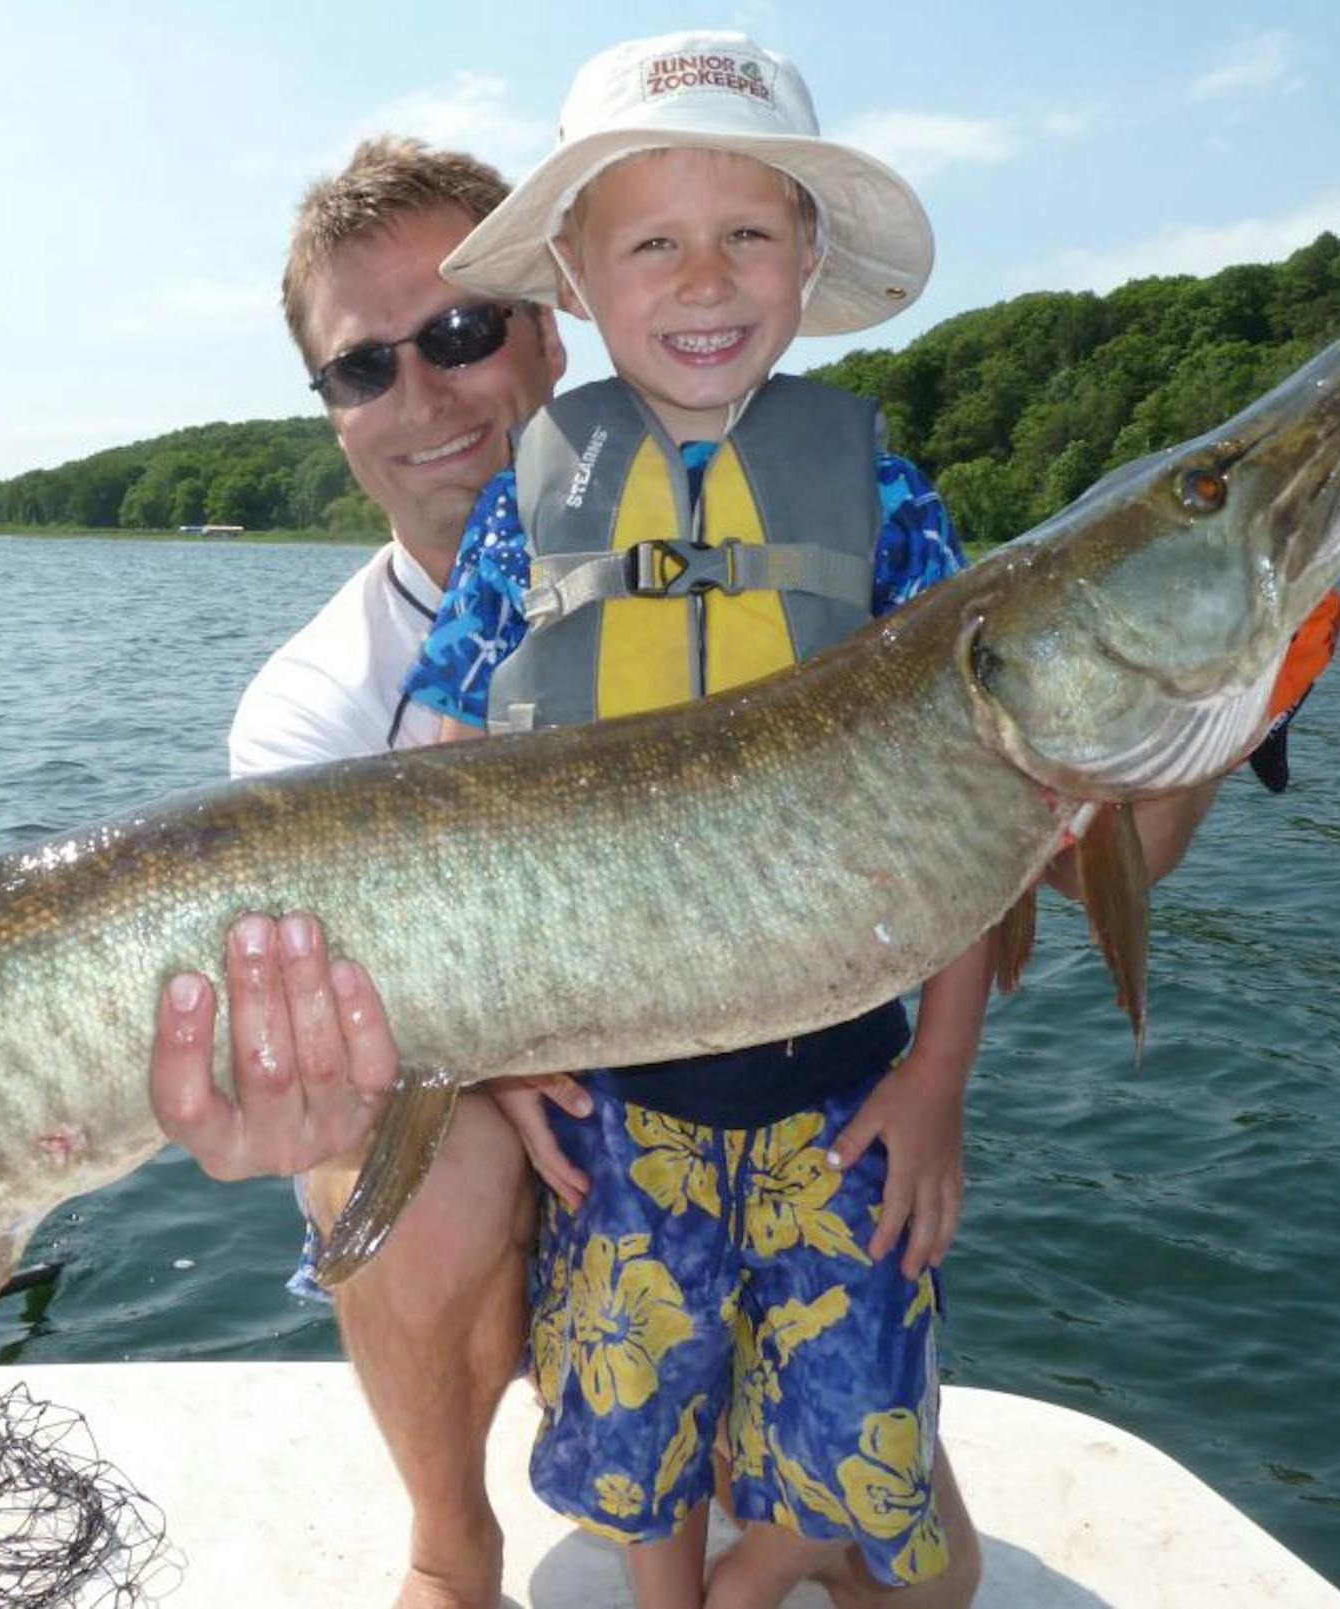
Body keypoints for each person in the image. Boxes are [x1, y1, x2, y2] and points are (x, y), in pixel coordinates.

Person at [397, 31, 984, 1608]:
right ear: (578, 280)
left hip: (847, 1082)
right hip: (610, 1095)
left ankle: (757, 1572)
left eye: (750, 235)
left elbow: (975, 810)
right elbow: (437, 779)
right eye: (652, 240)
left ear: (808, 260)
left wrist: (938, 1077)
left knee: (865, 1422)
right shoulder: (535, 493)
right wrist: (501, 1044)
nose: (705, 279)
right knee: (633, 1414)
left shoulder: (887, 490)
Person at [148, 134, 571, 1609]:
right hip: (512, 1156)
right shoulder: (310, 706)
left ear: (549, 329)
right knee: (382, 1140)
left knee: (923, 1571)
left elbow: (1030, 858)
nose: (427, 396)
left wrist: (1212, 723)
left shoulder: (757, 569)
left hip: (736, 1143)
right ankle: (450, 1547)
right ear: (331, 410)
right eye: (364, 366)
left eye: (462, 330)